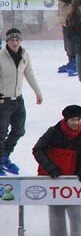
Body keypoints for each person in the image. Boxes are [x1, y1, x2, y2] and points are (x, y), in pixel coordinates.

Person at [33, 105, 81, 236]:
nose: (76, 123)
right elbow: (37, 150)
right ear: (65, 120)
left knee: (76, 212)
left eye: (79, 119)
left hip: (74, 181)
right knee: (56, 214)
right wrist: (51, 168)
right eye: (72, 120)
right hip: (54, 180)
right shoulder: (53, 132)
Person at [0, 28, 43, 175]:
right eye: (12, 40)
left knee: (19, 130)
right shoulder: (1, 56)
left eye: (17, 39)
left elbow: (29, 73)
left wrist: (37, 92)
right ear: (7, 41)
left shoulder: (24, 55)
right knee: (1, 133)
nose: (15, 42)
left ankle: (4, 155)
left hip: (18, 100)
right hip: (3, 101)